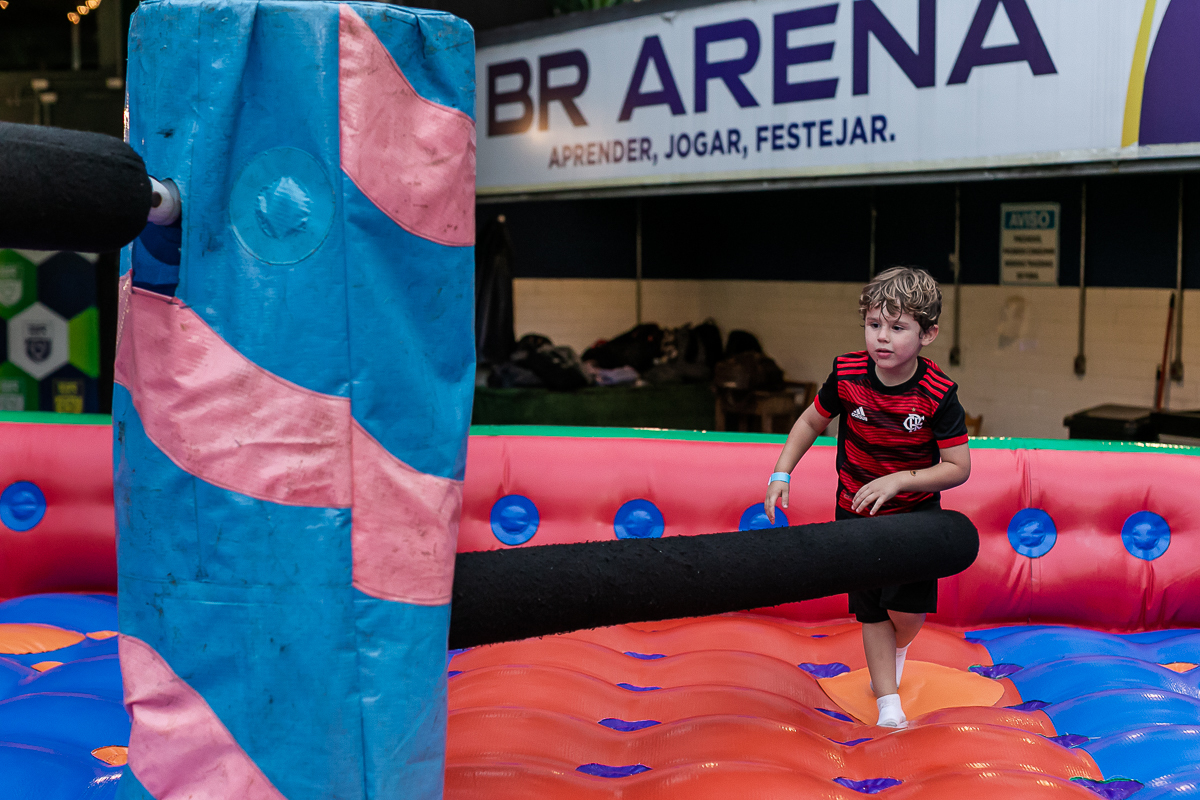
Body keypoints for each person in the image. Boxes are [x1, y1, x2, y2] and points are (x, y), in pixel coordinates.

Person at [764, 266, 971, 729]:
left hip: (914, 518)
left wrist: (900, 480)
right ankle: (888, 704)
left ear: (928, 334)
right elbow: (811, 421)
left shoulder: (938, 394)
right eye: (874, 324)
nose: (882, 337)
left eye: (897, 328)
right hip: (856, 511)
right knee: (872, 610)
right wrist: (782, 472)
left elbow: (958, 467)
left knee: (906, 615)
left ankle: (898, 651)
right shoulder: (848, 373)